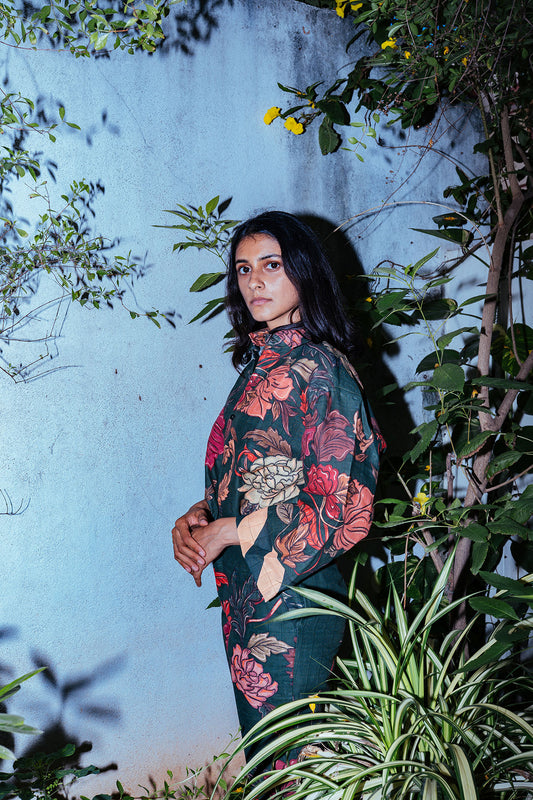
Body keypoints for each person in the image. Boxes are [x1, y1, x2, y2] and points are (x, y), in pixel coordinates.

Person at [172, 211, 384, 763]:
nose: (254, 281)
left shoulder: (319, 368)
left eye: (271, 265)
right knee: (270, 760)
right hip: (250, 596)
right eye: (244, 269)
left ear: (304, 271)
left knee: (292, 769)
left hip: (294, 597)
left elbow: (344, 503)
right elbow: (255, 477)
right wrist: (198, 520)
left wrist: (228, 530)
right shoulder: (263, 366)